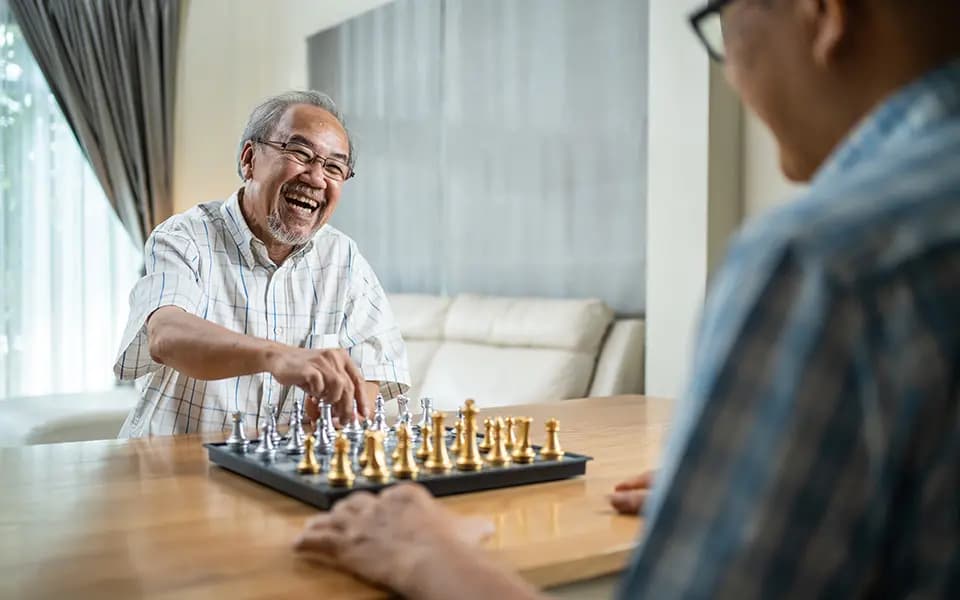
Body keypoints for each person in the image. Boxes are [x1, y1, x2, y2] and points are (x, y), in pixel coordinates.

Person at [295, 0, 960, 598]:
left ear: (824, 14)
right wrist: (764, 494)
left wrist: (432, 559)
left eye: (721, 26)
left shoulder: (824, 264)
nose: (728, 70)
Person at [113, 91, 410, 437]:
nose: (316, 178)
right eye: (300, 153)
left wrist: (341, 405)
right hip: (172, 468)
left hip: (280, 473)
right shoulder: (184, 236)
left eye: (334, 167)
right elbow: (166, 335)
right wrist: (278, 357)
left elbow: (373, 372)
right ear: (249, 159)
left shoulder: (343, 258)